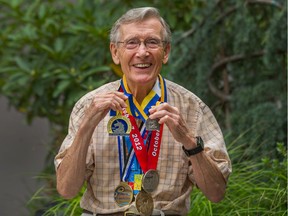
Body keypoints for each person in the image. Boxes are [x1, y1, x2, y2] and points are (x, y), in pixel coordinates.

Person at [55, 7, 232, 216]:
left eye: (152, 42)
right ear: (115, 52)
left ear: (165, 52)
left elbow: (216, 193)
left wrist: (190, 142)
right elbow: (66, 190)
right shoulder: (89, 106)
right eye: (131, 43)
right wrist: (87, 127)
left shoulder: (192, 107)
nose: (142, 52)